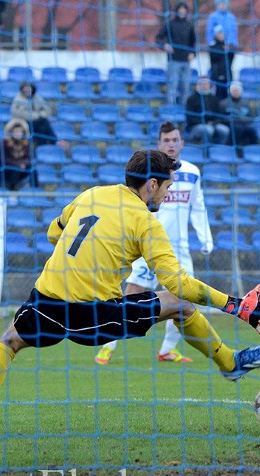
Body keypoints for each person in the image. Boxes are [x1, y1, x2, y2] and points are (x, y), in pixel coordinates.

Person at [0, 149, 260, 439]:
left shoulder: (92, 194)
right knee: (180, 306)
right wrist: (235, 305)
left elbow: (53, 232)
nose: (166, 194)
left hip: (45, 298)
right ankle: (230, 363)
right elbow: (179, 284)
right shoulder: (144, 223)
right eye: (167, 186)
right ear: (151, 185)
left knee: (7, 343)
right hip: (92, 315)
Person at [96, 122, 214, 365]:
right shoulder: (152, 172)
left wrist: (206, 237)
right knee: (132, 293)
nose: (171, 144)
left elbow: (198, 206)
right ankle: (108, 344)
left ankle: (167, 350)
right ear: (160, 144)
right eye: (167, 140)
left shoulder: (192, 172)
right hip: (147, 244)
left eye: (175, 140)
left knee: (185, 299)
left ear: (181, 143)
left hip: (179, 248)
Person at [156, 1, 196, 106]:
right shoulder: (170, 24)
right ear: (176, 11)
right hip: (173, 60)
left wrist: (193, 53)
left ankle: (183, 109)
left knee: (185, 87)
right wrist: (165, 45)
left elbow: (193, 43)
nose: (182, 12)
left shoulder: (189, 25)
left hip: (186, 62)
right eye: (180, 9)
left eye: (184, 10)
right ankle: (171, 108)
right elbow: (158, 38)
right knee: (172, 86)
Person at [10, 82, 57, 147]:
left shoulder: (38, 97)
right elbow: (17, 113)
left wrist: (39, 115)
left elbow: (47, 110)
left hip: (38, 121)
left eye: (29, 89)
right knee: (44, 123)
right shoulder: (18, 99)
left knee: (42, 126)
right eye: (25, 89)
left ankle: (42, 147)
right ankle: (55, 141)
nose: (27, 91)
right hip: (25, 122)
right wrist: (34, 115)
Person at [185, 77, 230, 145]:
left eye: (206, 84)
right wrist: (204, 123)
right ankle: (206, 151)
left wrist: (213, 123)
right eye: (202, 83)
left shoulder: (214, 99)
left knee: (224, 130)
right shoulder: (191, 99)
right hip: (195, 125)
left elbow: (219, 115)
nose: (204, 85)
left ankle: (218, 149)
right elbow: (190, 117)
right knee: (208, 130)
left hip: (212, 124)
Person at [220, 81, 259, 148]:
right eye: (234, 90)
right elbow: (221, 117)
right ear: (230, 91)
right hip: (231, 124)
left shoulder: (246, 103)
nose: (235, 92)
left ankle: (254, 149)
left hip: (244, 124)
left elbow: (251, 117)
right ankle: (234, 150)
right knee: (237, 129)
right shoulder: (224, 103)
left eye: (237, 90)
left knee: (252, 131)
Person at [0, 118, 33, 190]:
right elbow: (2, 159)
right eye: (16, 131)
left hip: (22, 168)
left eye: (20, 132)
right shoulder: (5, 143)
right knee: (16, 168)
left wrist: (23, 164)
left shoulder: (26, 143)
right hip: (8, 170)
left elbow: (28, 157)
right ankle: (12, 189)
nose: (18, 134)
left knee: (33, 169)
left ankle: (35, 189)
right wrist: (17, 164)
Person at [209, 24, 235, 99]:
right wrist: (222, 50)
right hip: (217, 75)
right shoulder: (213, 46)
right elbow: (214, 57)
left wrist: (229, 50)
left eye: (222, 33)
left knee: (227, 97)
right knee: (218, 96)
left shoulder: (228, 46)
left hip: (227, 75)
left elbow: (232, 57)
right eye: (219, 33)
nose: (221, 35)